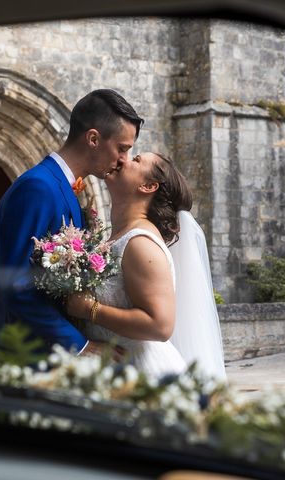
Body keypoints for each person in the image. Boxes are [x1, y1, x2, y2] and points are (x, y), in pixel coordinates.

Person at [0, 89, 143, 366]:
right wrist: (79, 345)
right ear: (93, 139)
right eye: (122, 148)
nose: (124, 160)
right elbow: (16, 285)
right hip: (21, 361)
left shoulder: (61, 187)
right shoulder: (37, 187)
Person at [67, 152, 226, 382]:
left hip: (141, 373)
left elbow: (160, 325)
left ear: (149, 186)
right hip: (114, 371)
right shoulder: (119, 237)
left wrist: (89, 309)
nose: (122, 159)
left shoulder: (141, 243)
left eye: (137, 160)